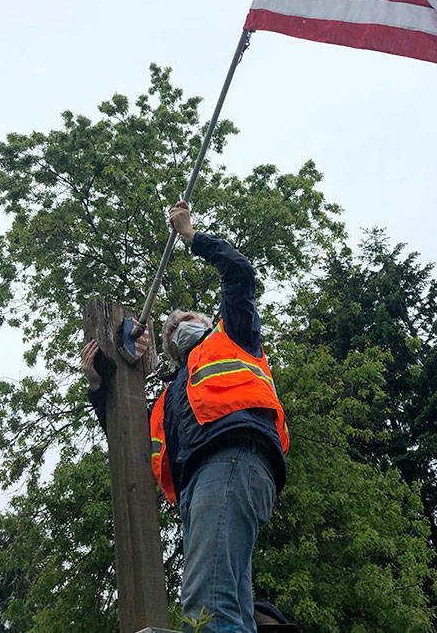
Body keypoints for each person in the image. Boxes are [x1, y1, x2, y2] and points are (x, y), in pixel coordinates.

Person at [81, 200, 289, 632]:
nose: (180, 327)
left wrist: (193, 237)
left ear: (208, 323)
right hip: (201, 484)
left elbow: (240, 274)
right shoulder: (170, 397)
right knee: (228, 600)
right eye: (172, 330)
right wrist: (100, 386)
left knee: (207, 602)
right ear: (169, 352)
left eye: (188, 319)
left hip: (233, 456)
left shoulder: (234, 336)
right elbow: (128, 441)